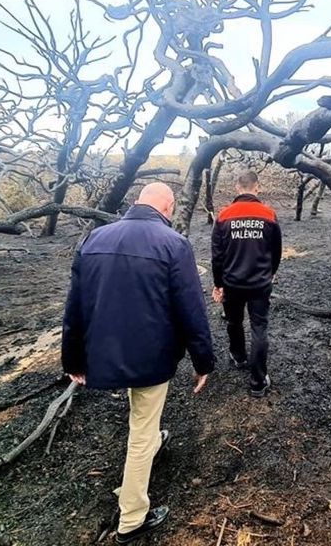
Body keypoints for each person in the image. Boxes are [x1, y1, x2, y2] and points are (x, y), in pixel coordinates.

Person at [61, 182, 215, 544]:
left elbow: (74, 309)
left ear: (137, 202)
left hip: (106, 352)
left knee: (143, 419)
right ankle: (132, 518)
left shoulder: (94, 239)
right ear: (168, 206)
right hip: (151, 356)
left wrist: (72, 358)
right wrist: (203, 361)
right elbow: (191, 310)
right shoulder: (173, 244)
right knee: (142, 431)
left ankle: (154, 444)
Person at [211, 170, 282, 398]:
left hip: (232, 283)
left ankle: (239, 356)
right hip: (260, 284)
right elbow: (276, 251)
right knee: (259, 328)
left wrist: (218, 284)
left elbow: (217, 256)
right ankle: (258, 382)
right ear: (257, 187)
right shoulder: (269, 215)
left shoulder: (223, 216)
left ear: (236, 188)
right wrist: (270, 273)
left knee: (234, 321)